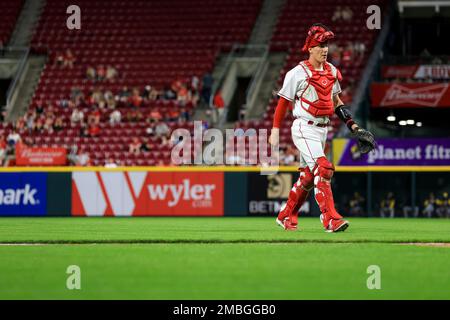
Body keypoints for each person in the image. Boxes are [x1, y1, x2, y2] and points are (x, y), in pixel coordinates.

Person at [268, 23, 376, 232]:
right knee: (324, 168)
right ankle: (330, 219)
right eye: (320, 45)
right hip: (303, 127)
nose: (325, 49)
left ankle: (286, 214)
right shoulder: (296, 73)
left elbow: (336, 101)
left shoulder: (332, 71)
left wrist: (353, 125)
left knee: (308, 176)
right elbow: (282, 103)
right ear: (309, 48)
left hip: (322, 129)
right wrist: (274, 131)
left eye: (326, 44)